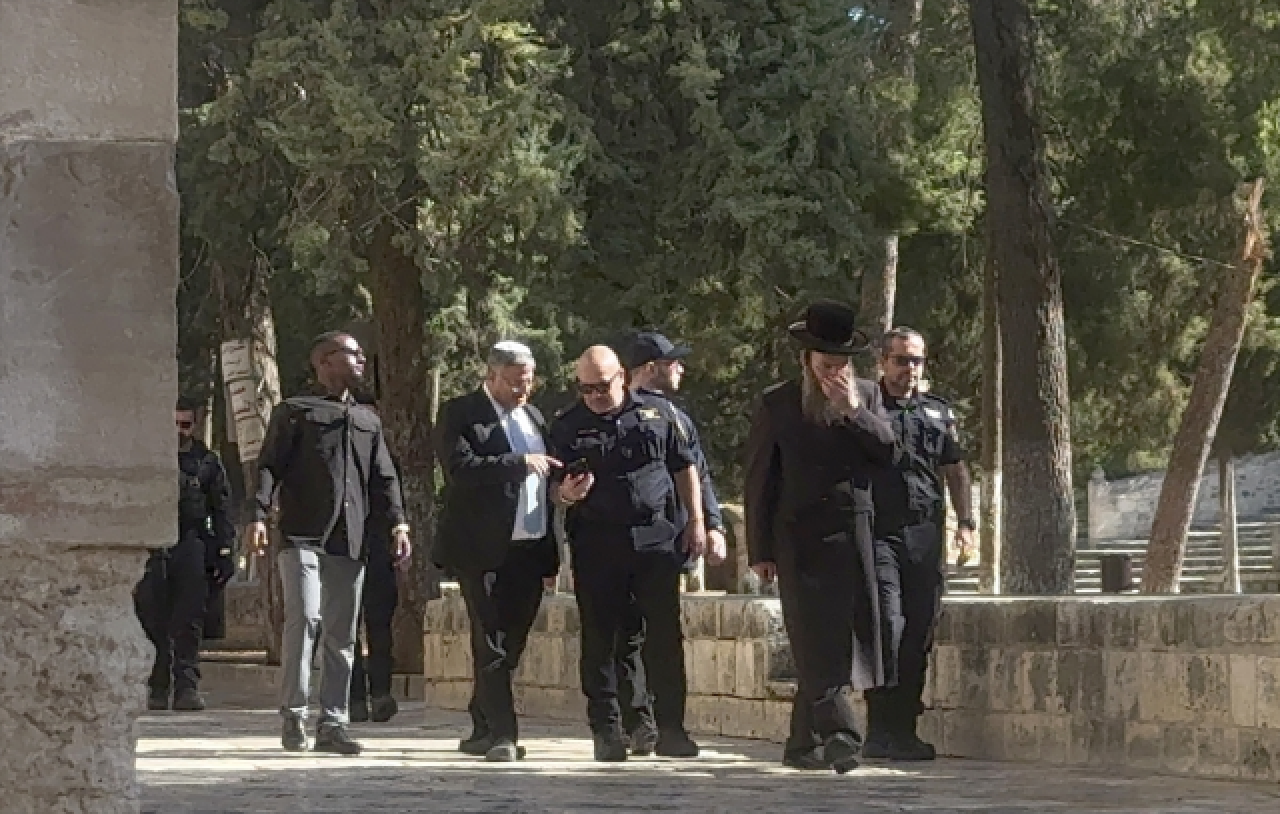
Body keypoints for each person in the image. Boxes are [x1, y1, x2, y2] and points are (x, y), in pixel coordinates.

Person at [744, 300, 899, 774]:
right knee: (813, 638)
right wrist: (760, 550)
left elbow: (889, 453)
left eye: (841, 365)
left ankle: (800, 744)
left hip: (853, 534)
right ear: (807, 360)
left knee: (845, 636)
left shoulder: (867, 397)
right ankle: (842, 735)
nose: (833, 372)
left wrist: (852, 411)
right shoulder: (779, 402)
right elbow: (759, 481)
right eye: (825, 364)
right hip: (798, 539)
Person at [248, 331, 411, 756]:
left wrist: (398, 524)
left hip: (349, 538)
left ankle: (333, 723)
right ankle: (294, 715)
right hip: (301, 535)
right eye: (351, 354)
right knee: (304, 619)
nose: (360, 361)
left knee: (342, 633)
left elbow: (384, 477)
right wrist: (258, 516)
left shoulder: (368, 421)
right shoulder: (295, 412)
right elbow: (268, 467)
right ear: (324, 361)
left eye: (361, 354)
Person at [550, 345, 706, 762]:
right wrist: (564, 494)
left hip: (656, 540)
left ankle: (671, 728)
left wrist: (697, 523)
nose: (596, 395)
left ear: (622, 375)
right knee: (601, 640)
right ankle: (608, 730)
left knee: (663, 638)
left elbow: (684, 467)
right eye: (586, 388)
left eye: (603, 386)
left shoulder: (657, 414)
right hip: (597, 543)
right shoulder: (567, 426)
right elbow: (552, 483)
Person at [432, 341, 560, 762]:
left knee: (514, 642)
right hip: (481, 548)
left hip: (529, 546)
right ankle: (504, 735)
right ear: (491, 376)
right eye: (514, 384)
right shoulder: (461, 413)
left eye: (528, 383)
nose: (523, 392)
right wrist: (518, 462)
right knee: (491, 641)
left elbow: (547, 477)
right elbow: (460, 469)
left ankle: (481, 722)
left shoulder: (533, 417)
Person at [614, 331, 728, 754]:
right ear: (648, 368)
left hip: (665, 545)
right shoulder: (615, 412)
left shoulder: (676, 418)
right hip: (617, 544)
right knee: (624, 638)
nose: (680, 368)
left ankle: (671, 727)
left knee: (664, 637)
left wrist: (711, 524)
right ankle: (635, 721)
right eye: (672, 362)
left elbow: (697, 472)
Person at [864, 327, 975, 761]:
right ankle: (879, 726)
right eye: (901, 360)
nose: (910, 369)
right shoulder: (868, 408)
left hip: (925, 534)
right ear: (882, 363)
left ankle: (905, 727)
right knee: (887, 626)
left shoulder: (937, 412)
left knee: (919, 630)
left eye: (916, 361)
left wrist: (965, 523)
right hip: (879, 533)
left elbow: (956, 470)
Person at [136, 397, 234, 712]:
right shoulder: (148, 460)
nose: (179, 431)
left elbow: (221, 508)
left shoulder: (206, 461)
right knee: (153, 618)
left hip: (190, 541)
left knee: (189, 618)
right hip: (153, 544)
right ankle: (158, 685)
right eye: (174, 424)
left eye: (185, 425)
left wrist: (224, 550)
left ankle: (187, 686)